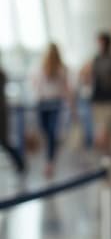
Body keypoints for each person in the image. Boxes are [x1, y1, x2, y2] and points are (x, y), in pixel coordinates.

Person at [31, 43, 71, 177]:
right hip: (43, 103)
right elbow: (36, 84)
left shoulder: (62, 69)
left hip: (55, 104)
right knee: (46, 132)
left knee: (53, 133)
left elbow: (65, 88)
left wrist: (71, 105)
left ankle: (50, 162)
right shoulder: (41, 67)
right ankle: (49, 156)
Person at [80, 32, 111, 155]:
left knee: (108, 132)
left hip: (110, 100)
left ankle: (109, 157)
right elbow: (84, 75)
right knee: (102, 132)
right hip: (97, 100)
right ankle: (108, 157)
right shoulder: (94, 59)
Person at [0, 54, 26, 175]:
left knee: (5, 142)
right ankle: (20, 163)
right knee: (5, 142)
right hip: (3, 111)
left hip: (2, 112)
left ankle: (20, 163)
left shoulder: (2, 74)